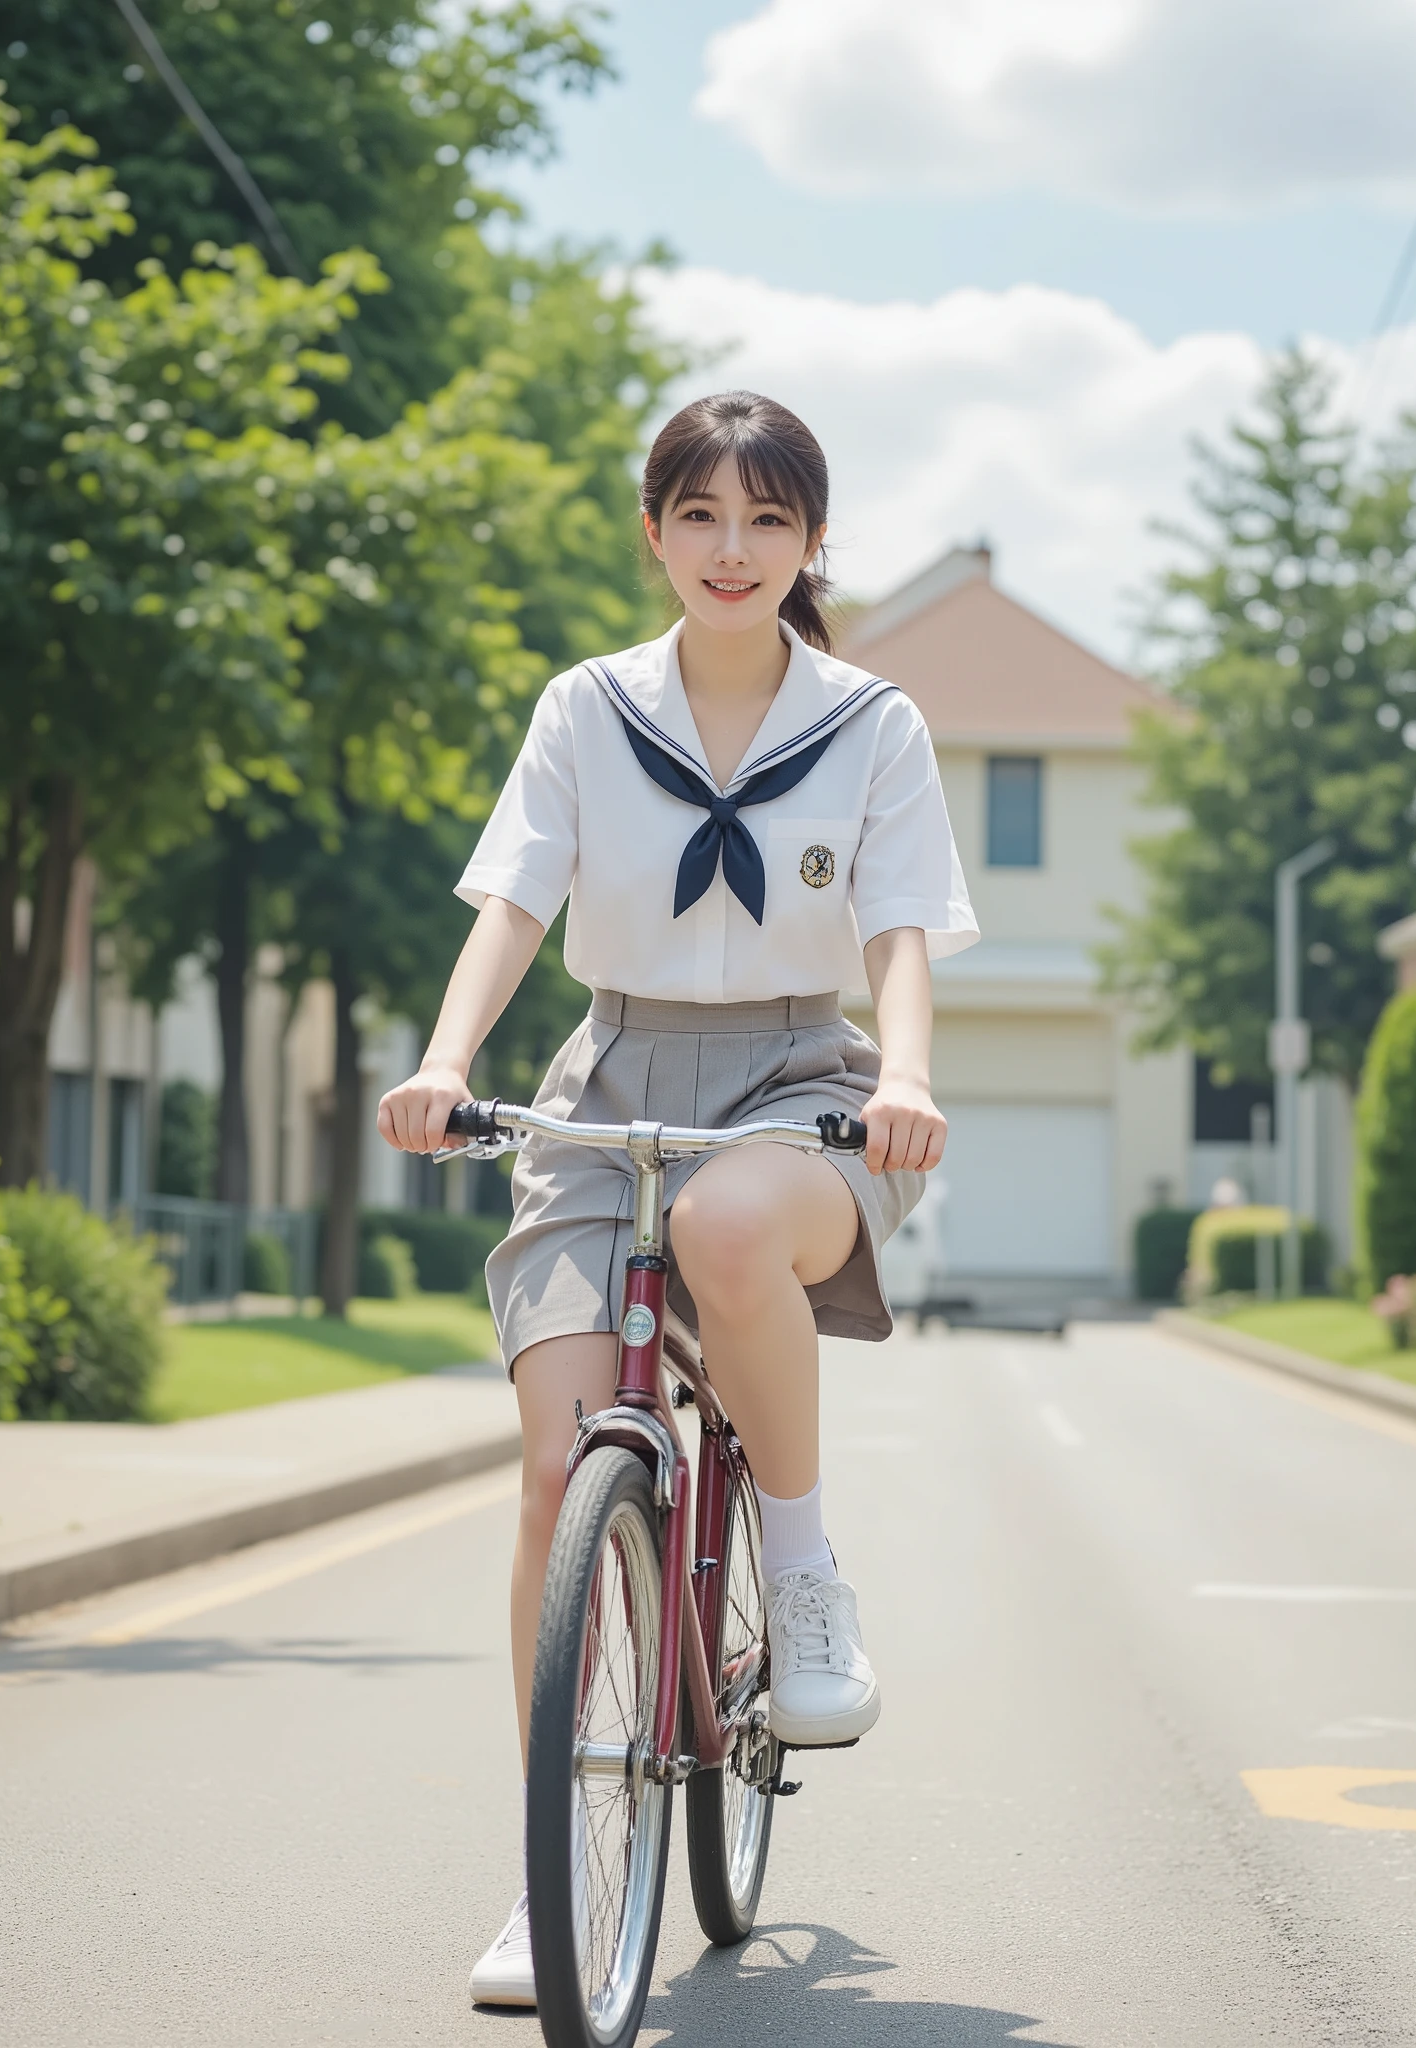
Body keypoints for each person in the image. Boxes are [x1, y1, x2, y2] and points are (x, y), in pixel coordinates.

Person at [376, 390, 979, 2009]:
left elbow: (906, 928)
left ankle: (795, 1567)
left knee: (724, 1230)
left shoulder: (873, 724)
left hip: (803, 1080)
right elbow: (515, 897)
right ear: (653, 532)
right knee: (556, 1462)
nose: (733, 550)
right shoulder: (587, 708)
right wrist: (445, 1059)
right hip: (610, 1075)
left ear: (810, 544)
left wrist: (903, 1083)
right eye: (700, 516)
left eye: (768, 520)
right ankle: (547, 1873)